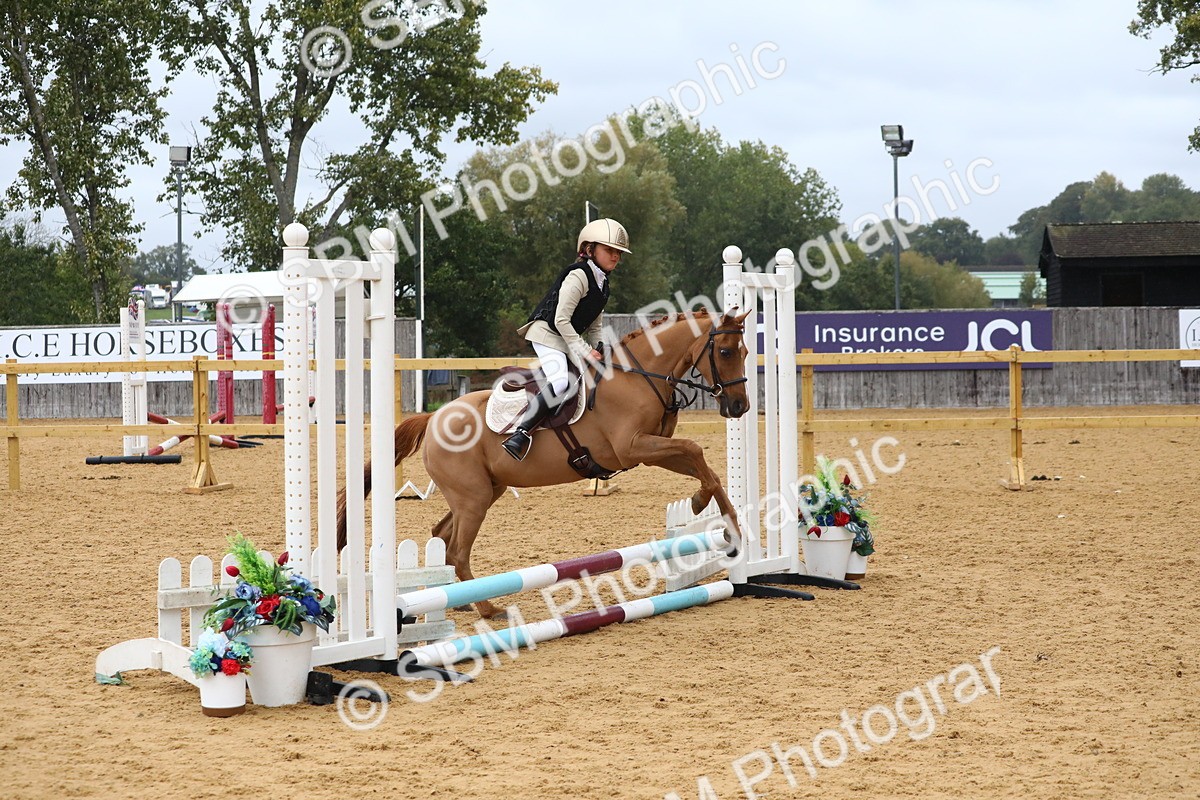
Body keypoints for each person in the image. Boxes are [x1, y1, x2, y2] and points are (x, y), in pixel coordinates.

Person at [501, 218, 631, 460]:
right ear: (590, 249)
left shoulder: (603, 284)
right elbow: (561, 320)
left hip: (565, 337)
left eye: (619, 253)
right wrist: (584, 350)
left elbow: (595, 325)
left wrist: (599, 348)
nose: (615, 257)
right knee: (561, 382)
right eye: (609, 250)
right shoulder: (579, 275)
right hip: (547, 333)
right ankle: (520, 434)